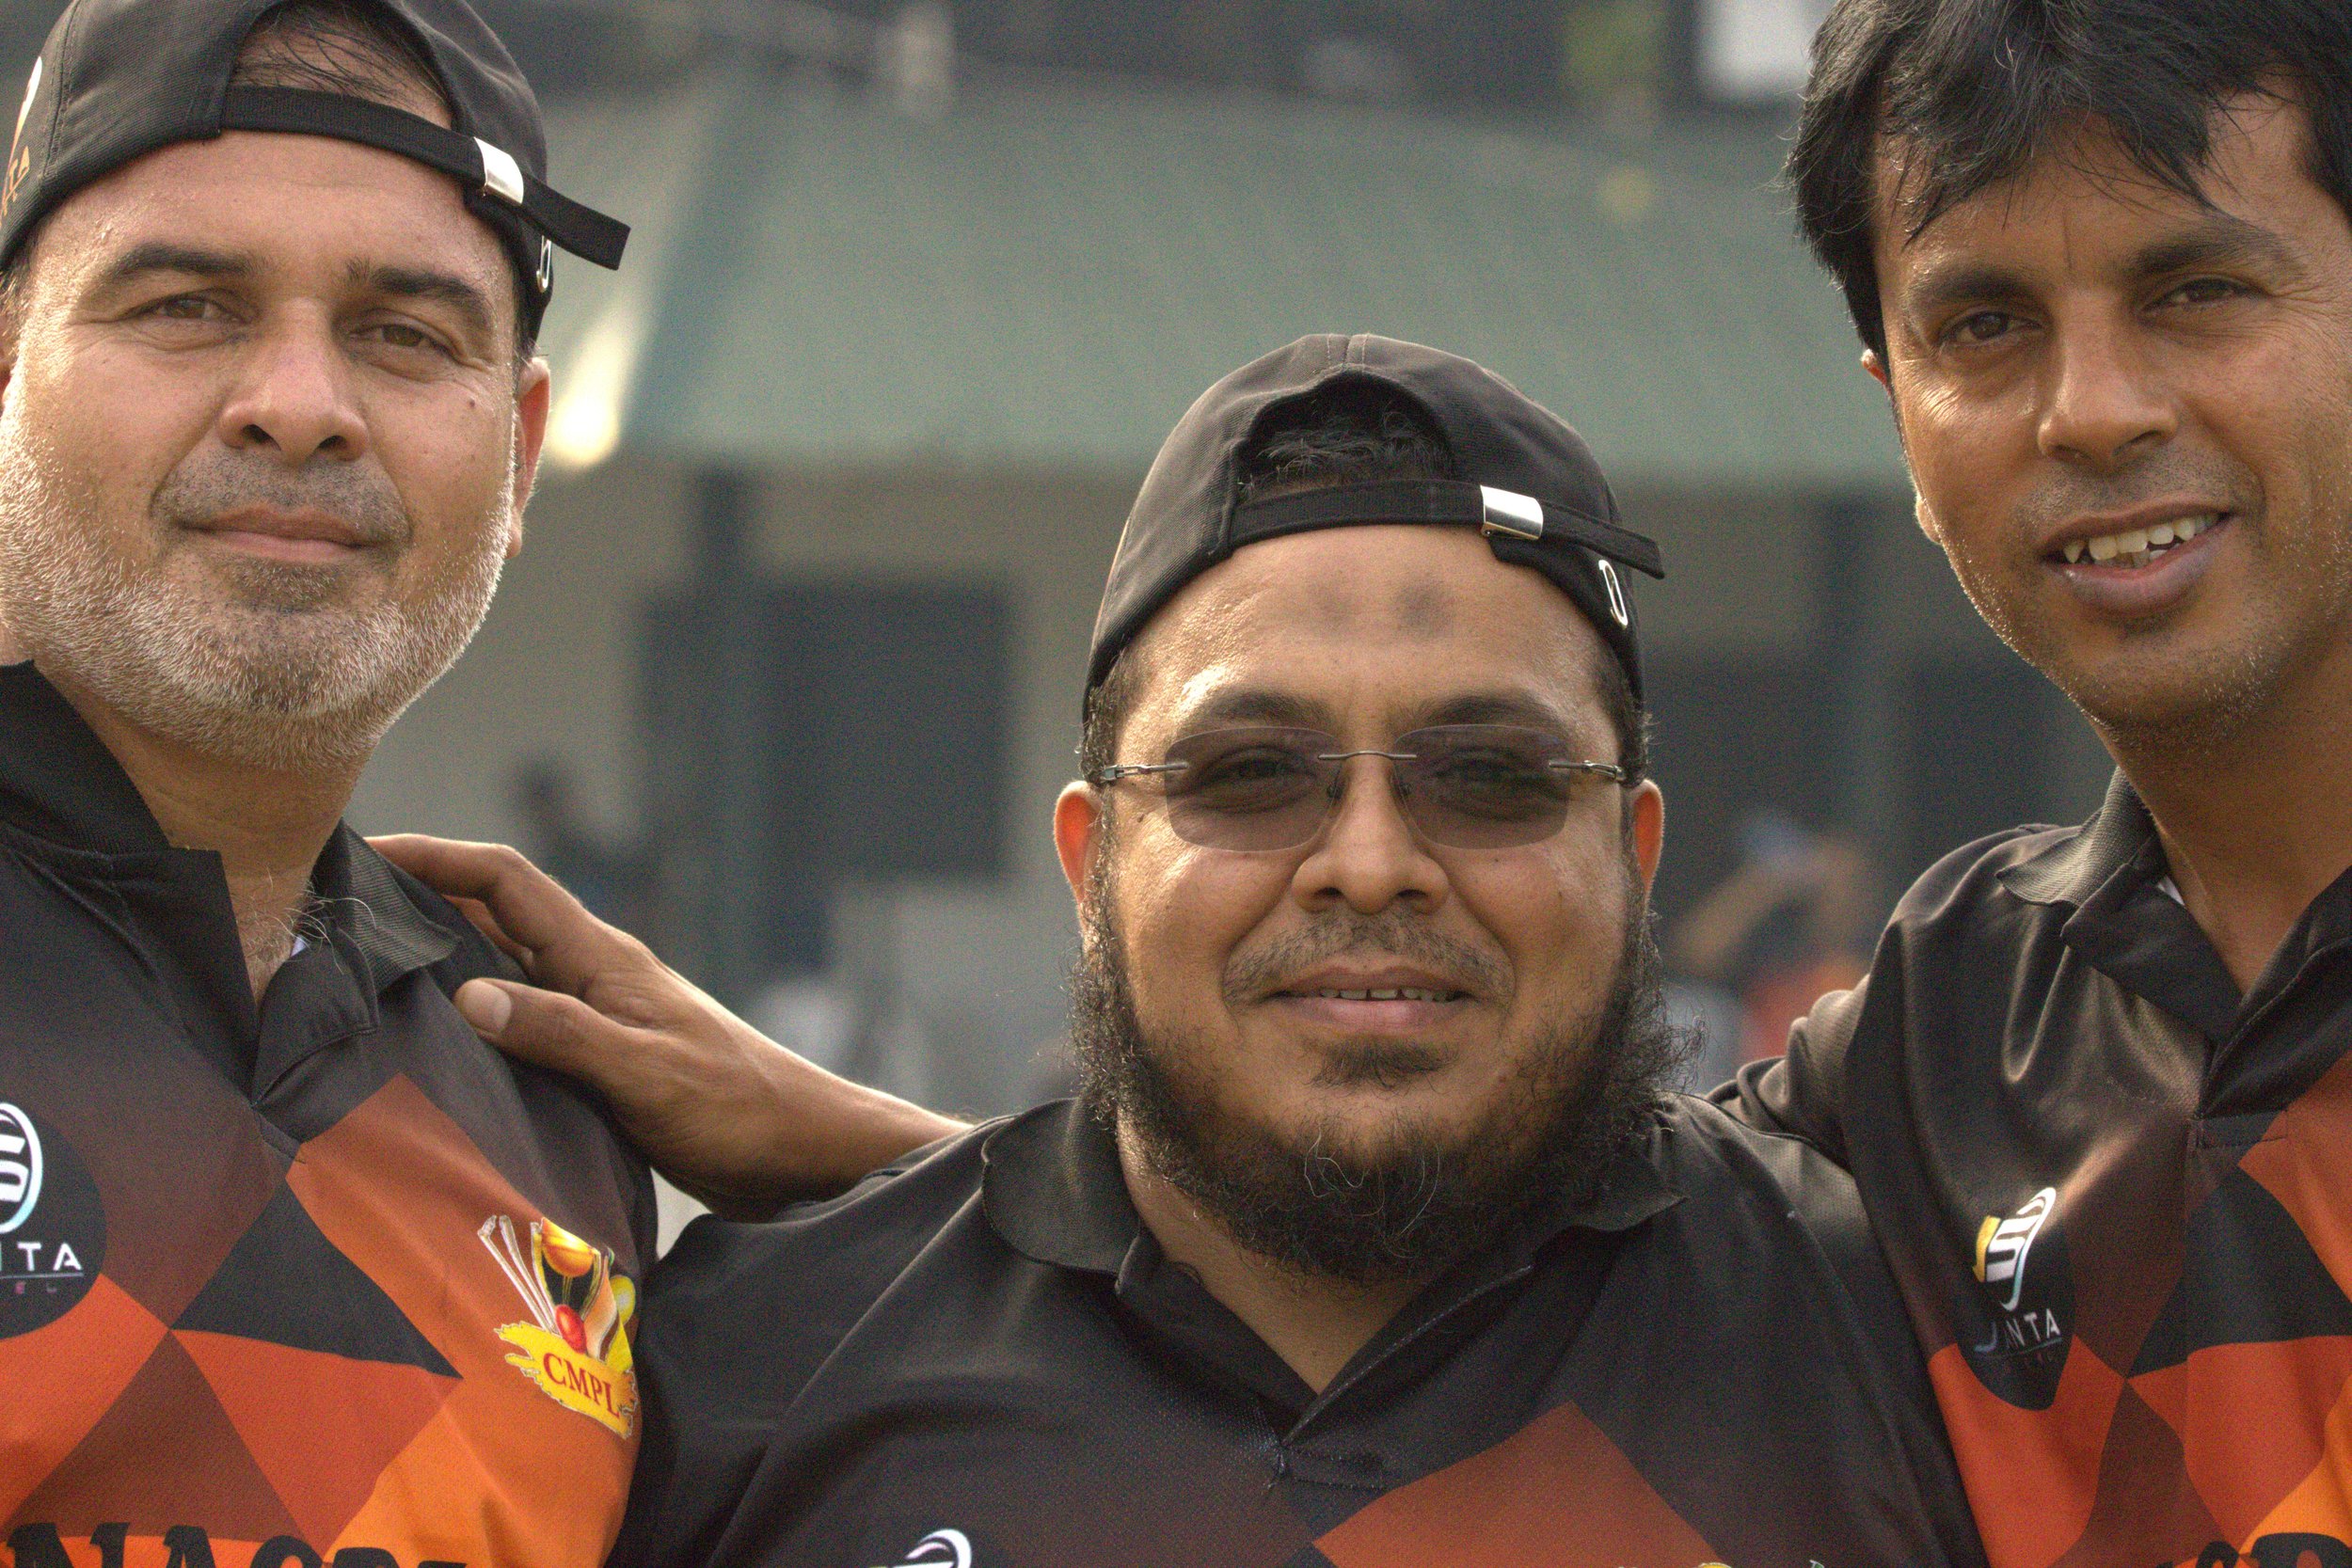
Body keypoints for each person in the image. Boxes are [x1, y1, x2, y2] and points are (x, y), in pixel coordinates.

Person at [391, 336, 1987, 1565]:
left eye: (1491, 779)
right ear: (1094, 864)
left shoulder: (1893, 1342)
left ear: (1634, 860)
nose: (1371, 863)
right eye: (1249, 776)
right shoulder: (743, 1376)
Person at [0, 0, 938, 1560]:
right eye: (184, 306)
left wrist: (896, 1167)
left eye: (404, 335)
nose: (298, 403)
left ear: (517, 461)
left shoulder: (549, 1107)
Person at [1709, 1, 2352, 1563]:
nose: (2092, 411)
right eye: (1983, 326)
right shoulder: (1935, 1047)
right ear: (1899, 416)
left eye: (2197, 289)